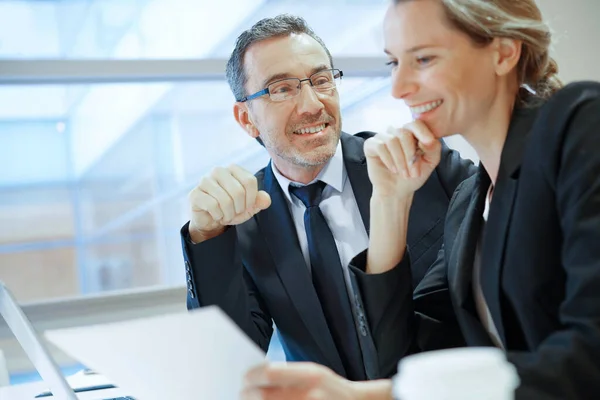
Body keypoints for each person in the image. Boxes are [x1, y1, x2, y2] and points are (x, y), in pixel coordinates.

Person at [241, 0, 600, 399]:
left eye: (424, 59)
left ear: (503, 52)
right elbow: (405, 362)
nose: (399, 88)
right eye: (394, 64)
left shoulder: (581, 124)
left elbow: (591, 352)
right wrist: (389, 205)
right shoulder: (468, 204)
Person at [181, 14, 474, 382]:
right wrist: (206, 236)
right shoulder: (243, 216)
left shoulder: (421, 164)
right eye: (281, 89)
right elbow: (230, 359)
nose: (312, 105)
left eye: (321, 80)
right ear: (246, 119)